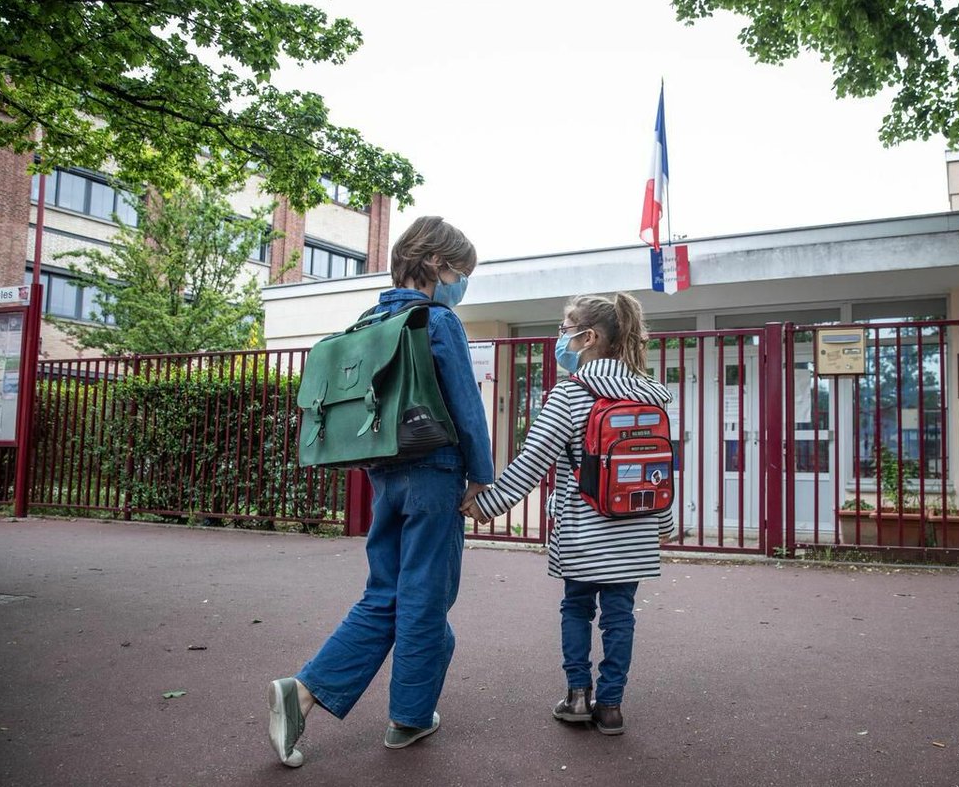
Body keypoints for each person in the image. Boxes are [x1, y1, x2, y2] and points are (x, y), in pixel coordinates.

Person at [267, 216, 494, 768]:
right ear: (438, 265)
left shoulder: (371, 318)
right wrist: (480, 475)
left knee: (386, 593)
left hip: (382, 473)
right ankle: (408, 718)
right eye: (462, 271)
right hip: (434, 473)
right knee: (425, 596)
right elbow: (465, 402)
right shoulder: (437, 320)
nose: (463, 283)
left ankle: (302, 693)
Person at [463, 292, 673, 736]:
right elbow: (661, 467)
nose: (562, 337)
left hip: (583, 531)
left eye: (565, 329)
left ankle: (578, 696)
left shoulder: (571, 393)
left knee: (577, 608)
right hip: (635, 532)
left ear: (589, 336)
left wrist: (486, 506)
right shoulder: (655, 395)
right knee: (621, 616)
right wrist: (664, 524)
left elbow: (532, 460)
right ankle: (612, 706)